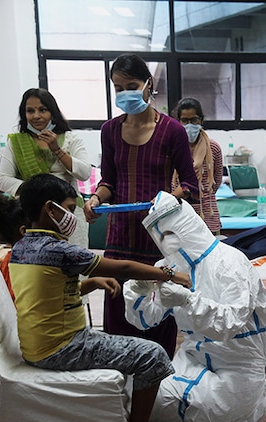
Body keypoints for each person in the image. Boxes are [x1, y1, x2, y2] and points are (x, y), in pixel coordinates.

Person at [8, 173, 197, 422]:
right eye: (69, 208)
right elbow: (122, 267)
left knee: (133, 349)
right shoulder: (59, 250)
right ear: (50, 209)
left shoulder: (22, 246)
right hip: (63, 348)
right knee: (152, 355)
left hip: (38, 345)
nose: (72, 216)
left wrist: (90, 283)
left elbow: (47, 294)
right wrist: (168, 274)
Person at [123, 192, 266, 422]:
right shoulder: (170, 268)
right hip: (192, 359)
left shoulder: (230, 263)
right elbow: (145, 320)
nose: (167, 243)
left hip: (238, 365)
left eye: (170, 233)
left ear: (187, 227)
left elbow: (229, 323)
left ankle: (257, 409)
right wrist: (138, 293)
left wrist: (187, 301)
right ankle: (200, 414)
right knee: (145, 395)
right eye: (161, 237)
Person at [82, 54, 199, 357]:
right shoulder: (110, 130)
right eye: (118, 88)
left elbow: (190, 185)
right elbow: (109, 181)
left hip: (158, 240)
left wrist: (165, 201)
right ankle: (120, 380)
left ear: (148, 84)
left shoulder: (172, 130)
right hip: (120, 239)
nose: (125, 94)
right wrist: (95, 199)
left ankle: (157, 379)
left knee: (158, 313)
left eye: (131, 86)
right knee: (118, 314)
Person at [0, 88, 92, 248]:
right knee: (36, 257)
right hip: (32, 213)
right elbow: (3, 180)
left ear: (53, 113)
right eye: (30, 111)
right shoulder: (16, 143)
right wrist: (37, 191)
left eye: (42, 110)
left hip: (68, 212)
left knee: (74, 257)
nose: (36, 116)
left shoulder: (70, 138)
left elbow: (84, 173)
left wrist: (57, 150)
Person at [170, 97, 223, 234]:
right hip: (179, 216)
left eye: (194, 120)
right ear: (178, 121)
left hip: (207, 217)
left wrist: (203, 195)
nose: (189, 125)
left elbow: (216, 182)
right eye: (184, 120)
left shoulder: (213, 148)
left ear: (201, 120)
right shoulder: (172, 148)